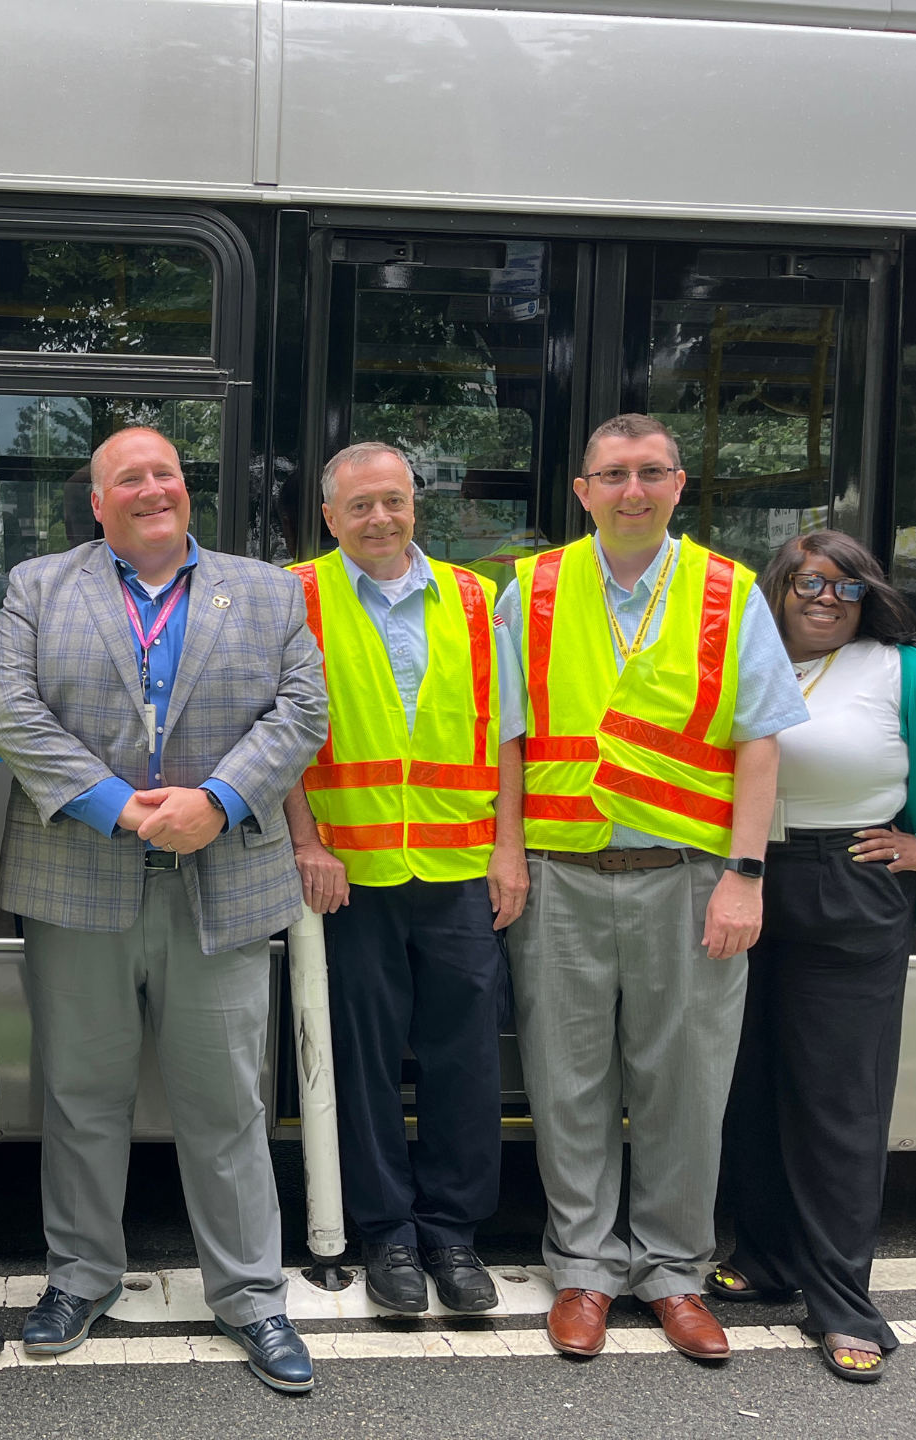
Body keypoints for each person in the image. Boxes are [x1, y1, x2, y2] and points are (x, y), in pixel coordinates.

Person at [0, 427, 328, 1395]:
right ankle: (79, 1277)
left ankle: (252, 1296)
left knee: (225, 1104)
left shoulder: (266, 590)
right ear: (97, 503)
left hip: (220, 884)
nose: (149, 489)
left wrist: (214, 802)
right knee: (79, 1098)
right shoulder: (38, 587)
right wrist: (116, 806)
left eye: (163, 473)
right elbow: (9, 710)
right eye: (126, 478)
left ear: (187, 489)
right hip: (78, 881)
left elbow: (302, 713)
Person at [495, 414, 808, 1363]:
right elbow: (506, 740)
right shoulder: (532, 589)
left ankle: (675, 1271)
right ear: (582, 491)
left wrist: (745, 878)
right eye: (612, 475)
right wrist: (508, 855)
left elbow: (760, 744)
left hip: (689, 879)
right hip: (559, 876)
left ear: (678, 486)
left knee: (686, 1083)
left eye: (651, 474)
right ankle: (583, 1269)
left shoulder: (730, 591)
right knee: (567, 1080)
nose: (632, 491)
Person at [712, 531, 916, 1383]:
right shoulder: (735, 655)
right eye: (811, 582)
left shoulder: (911, 673)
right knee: (747, 1087)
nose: (827, 599)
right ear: (776, 585)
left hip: (846, 882)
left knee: (837, 1103)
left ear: (869, 599)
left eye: (848, 588)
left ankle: (842, 1303)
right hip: (738, 878)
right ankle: (766, 1260)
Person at [283, 442, 528, 1316]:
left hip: (462, 870)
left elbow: (505, 732)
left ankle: (454, 1235)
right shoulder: (297, 595)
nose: (379, 518)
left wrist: (509, 851)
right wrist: (306, 843)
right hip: (350, 874)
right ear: (329, 517)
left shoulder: (475, 598)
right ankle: (386, 1231)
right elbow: (285, 741)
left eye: (392, 501)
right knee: (364, 1061)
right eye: (360, 507)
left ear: (415, 504)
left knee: (466, 1060)